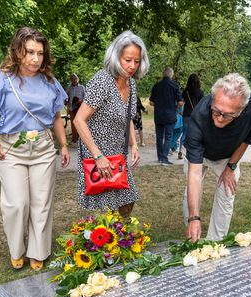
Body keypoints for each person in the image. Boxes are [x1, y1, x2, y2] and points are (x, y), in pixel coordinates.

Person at [0, 27, 69, 271]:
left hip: (43, 148)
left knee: (41, 201)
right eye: (29, 52)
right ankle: (16, 249)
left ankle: (38, 251)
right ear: (17, 51)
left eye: (40, 53)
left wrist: (63, 144)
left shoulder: (50, 82)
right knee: (17, 203)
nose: (35, 59)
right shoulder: (0, 79)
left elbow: (56, 117)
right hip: (10, 148)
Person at [74, 30, 148, 217]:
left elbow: (128, 117)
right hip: (96, 152)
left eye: (136, 61)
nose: (132, 66)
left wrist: (134, 144)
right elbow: (79, 120)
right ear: (116, 57)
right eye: (127, 59)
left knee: (127, 201)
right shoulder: (102, 80)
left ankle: (118, 241)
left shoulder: (130, 83)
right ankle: (106, 243)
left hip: (117, 152)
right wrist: (98, 156)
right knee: (106, 210)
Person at [184, 73, 251, 242]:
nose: (219, 119)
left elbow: (247, 138)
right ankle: (192, 235)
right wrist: (194, 218)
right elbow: (195, 174)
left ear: (242, 109)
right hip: (200, 154)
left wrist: (231, 166)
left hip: (228, 156)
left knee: (227, 194)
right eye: (216, 111)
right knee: (191, 193)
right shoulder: (199, 117)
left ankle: (216, 242)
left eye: (227, 115)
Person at [149, 66, 182, 165]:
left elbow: (151, 102)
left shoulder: (156, 86)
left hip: (158, 115)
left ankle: (160, 157)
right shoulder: (175, 85)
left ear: (163, 74)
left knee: (159, 136)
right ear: (171, 75)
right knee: (168, 136)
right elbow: (180, 102)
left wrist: (159, 104)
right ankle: (164, 158)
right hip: (170, 115)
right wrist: (174, 107)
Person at [180, 73, 204, 158]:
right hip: (197, 115)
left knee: (185, 133)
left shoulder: (185, 92)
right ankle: (193, 151)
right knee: (197, 133)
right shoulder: (200, 92)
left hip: (187, 114)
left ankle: (181, 151)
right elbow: (202, 105)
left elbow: (182, 102)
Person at [65, 73, 85, 144]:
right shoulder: (69, 87)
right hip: (71, 108)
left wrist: (82, 102)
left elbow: (85, 97)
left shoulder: (82, 87)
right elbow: (66, 96)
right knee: (73, 123)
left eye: (75, 78)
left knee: (80, 123)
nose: (74, 80)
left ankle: (80, 137)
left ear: (77, 79)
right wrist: (66, 101)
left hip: (80, 108)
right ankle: (74, 138)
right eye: (72, 79)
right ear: (71, 80)